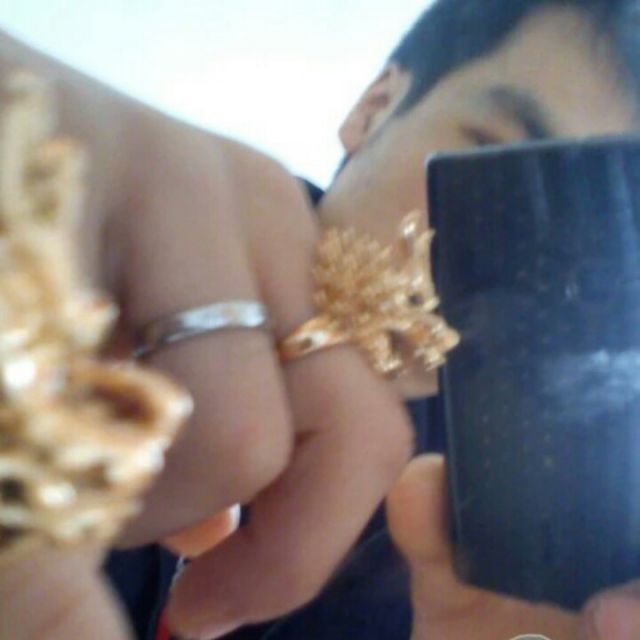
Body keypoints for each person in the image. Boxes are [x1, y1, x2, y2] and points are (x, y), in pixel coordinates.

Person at [1, 1, 640, 639]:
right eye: (494, 168)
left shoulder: (475, 545)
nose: (508, 261)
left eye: (588, 241)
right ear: (374, 107)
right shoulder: (71, 254)